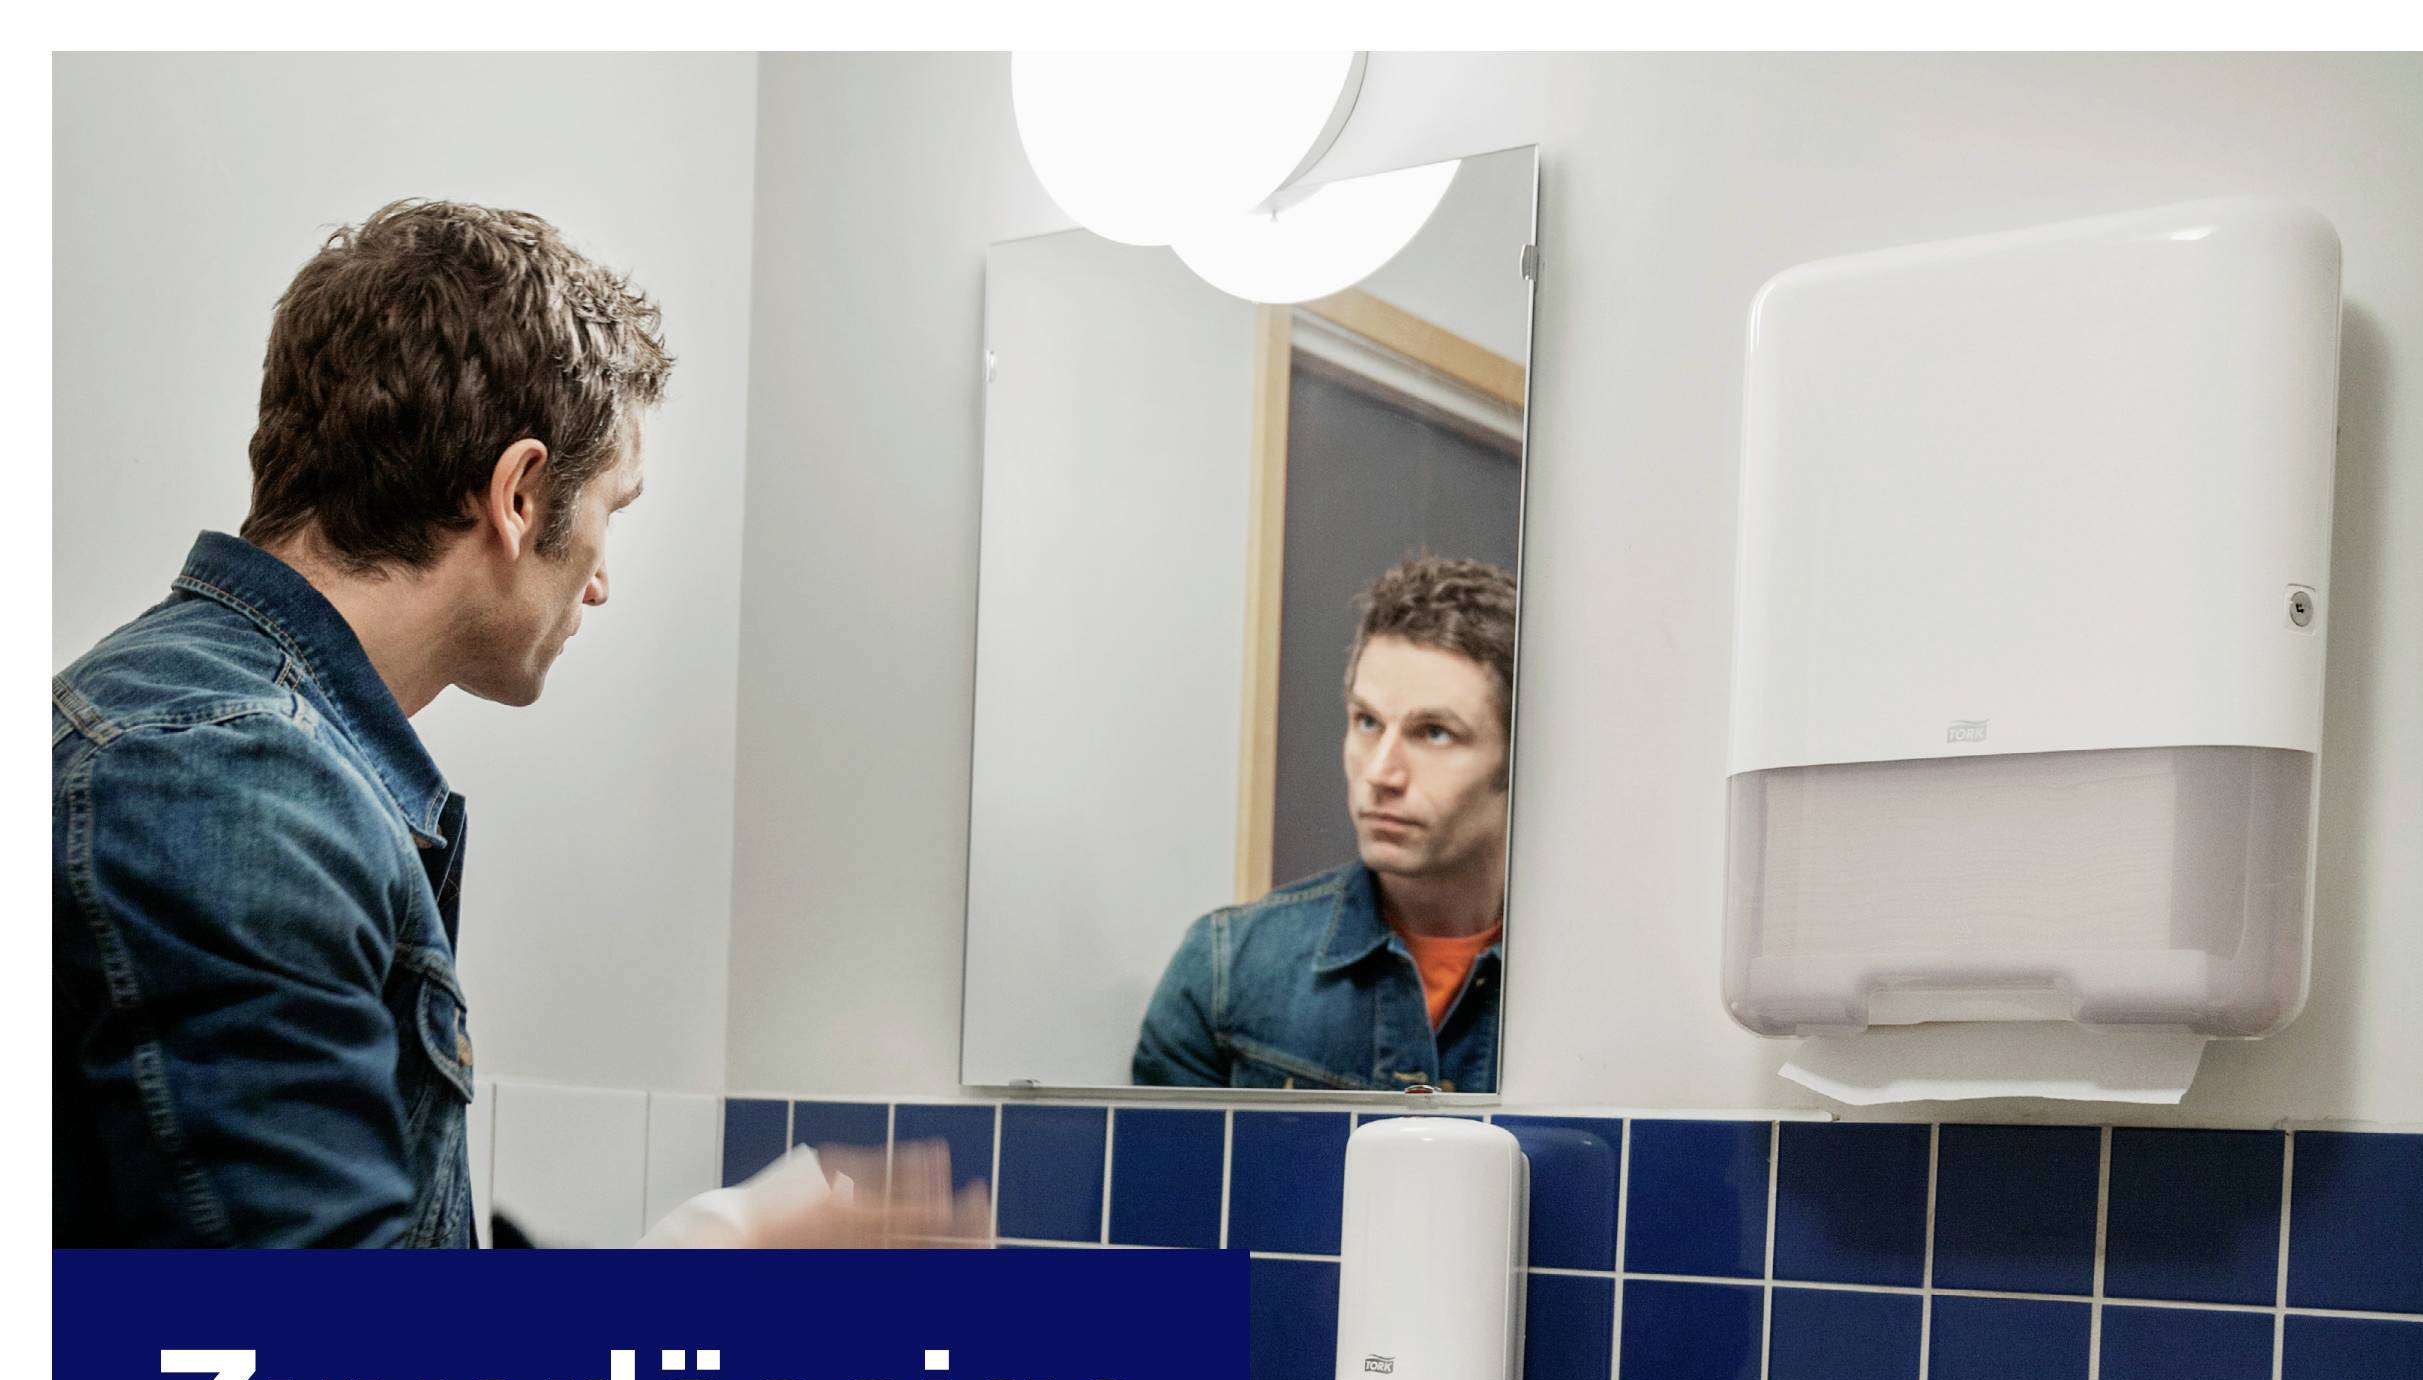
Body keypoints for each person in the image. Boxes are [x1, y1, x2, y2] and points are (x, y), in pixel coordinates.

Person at [53, 199, 977, 1250]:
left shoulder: (220, 754)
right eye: (610, 511)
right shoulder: (230, 785)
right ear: (522, 496)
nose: (600, 584)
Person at [1132, 555, 1514, 1090]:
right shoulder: (1226, 971)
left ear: (1516, 761)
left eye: (1434, 733)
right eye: (1367, 722)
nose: (1381, 772)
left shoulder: (1599, 993)